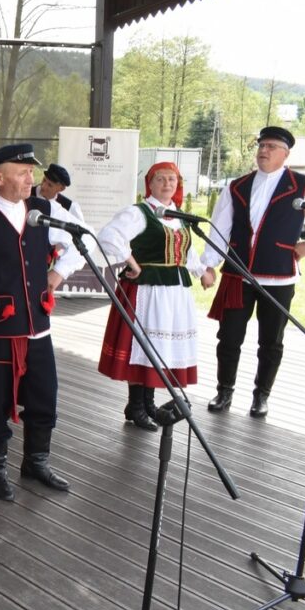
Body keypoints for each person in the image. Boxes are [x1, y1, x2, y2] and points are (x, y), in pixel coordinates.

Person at [0, 144, 84, 502]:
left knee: (44, 395)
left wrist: (57, 274)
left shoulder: (43, 211)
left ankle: (36, 461)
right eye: (22, 172)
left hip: (38, 327)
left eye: (32, 173)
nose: (31, 179)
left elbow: (79, 241)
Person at [202, 126, 305, 418]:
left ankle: (261, 395)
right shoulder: (237, 185)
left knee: (271, 340)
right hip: (238, 273)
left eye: (270, 146)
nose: (263, 151)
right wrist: (208, 264)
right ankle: (224, 391)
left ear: (286, 153)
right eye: (261, 145)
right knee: (229, 336)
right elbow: (220, 228)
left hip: (279, 275)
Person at [96, 162, 214, 431]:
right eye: (160, 179)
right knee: (143, 347)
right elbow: (108, 236)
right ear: (150, 184)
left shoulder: (179, 216)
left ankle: (147, 403)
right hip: (147, 290)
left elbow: (187, 252)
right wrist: (132, 263)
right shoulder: (139, 213)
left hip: (175, 292)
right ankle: (136, 406)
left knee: (158, 350)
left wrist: (201, 272)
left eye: (172, 179)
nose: (167, 184)